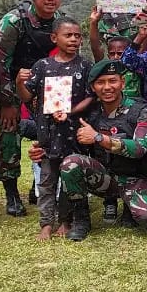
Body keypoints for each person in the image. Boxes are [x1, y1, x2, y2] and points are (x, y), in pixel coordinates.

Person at [53, 59, 147, 241]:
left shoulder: (141, 111)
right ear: (93, 87)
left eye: (112, 81)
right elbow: (69, 139)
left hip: (136, 178)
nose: (107, 87)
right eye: (100, 82)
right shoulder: (91, 113)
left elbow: (139, 149)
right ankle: (81, 220)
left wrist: (99, 138)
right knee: (71, 163)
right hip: (106, 178)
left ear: (122, 82)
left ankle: (134, 205)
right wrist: (41, 146)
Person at [17, 18, 94, 240]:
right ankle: (45, 223)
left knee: (70, 179)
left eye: (77, 36)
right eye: (68, 35)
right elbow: (27, 96)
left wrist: (70, 112)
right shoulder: (42, 66)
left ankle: (65, 220)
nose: (73, 39)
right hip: (48, 133)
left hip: (74, 133)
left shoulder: (84, 65)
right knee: (47, 181)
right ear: (54, 38)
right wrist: (19, 82)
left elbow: (90, 97)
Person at [0, 0, 62, 216]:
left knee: (54, 135)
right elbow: (0, 63)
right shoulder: (14, 21)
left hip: (51, 89)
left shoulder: (60, 22)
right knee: (9, 137)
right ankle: (11, 194)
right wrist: (6, 102)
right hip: (12, 87)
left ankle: (41, 183)